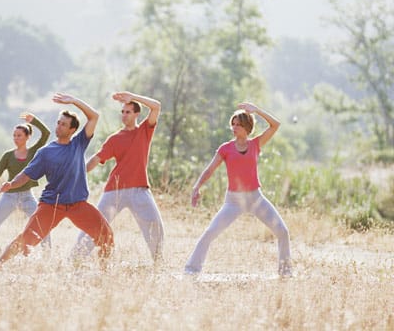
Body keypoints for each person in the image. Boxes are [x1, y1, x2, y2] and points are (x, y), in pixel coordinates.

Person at [0, 93, 114, 267]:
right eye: (58, 122)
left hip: (78, 205)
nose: (59, 126)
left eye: (64, 124)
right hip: (52, 205)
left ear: (72, 130)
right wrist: (12, 184)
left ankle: (105, 274)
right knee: (27, 240)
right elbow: (27, 174)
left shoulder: (79, 144)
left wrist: (75, 101)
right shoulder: (45, 152)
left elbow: (94, 116)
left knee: (107, 237)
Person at [184, 102, 292, 276]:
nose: (234, 127)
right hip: (233, 201)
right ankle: (191, 270)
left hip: (255, 198)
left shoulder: (256, 144)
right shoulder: (225, 149)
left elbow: (275, 125)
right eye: (232, 124)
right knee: (210, 232)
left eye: (238, 124)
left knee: (282, 231)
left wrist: (256, 110)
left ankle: (285, 273)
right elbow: (210, 169)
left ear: (247, 127)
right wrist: (197, 186)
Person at [72, 91, 164, 262]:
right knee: (96, 225)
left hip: (140, 190)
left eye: (128, 111)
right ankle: (75, 259)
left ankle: (158, 263)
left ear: (137, 114)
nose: (124, 115)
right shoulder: (115, 139)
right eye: (122, 112)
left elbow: (156, 106)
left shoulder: (145, 130)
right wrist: (76, 174)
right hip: (114, 191)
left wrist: (133, 97)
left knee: (155, 226)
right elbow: (96, 159)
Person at [0, 112, 51, 251]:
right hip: (9, 196)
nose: (16, 138)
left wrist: (34, 121)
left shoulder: (33, 152)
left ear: (27, 137)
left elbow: (46, 133)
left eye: (19, 135)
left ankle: (48, 255)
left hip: (27, 196)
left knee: (41, 223)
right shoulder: (8, 155)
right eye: (14, 135)